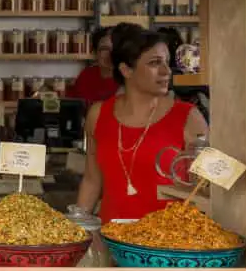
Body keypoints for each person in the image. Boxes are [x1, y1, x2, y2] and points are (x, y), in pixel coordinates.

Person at [76, 23, 208, 222]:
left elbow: (208, 189)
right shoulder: (98, 114)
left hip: (168, 242)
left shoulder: (189, 117)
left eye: (167, 62)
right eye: (155, 63)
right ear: (126, 70)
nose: (166, 71)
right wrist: (78, 226)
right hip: (113, 239)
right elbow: (92, 181)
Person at [69, 27, 119, 106]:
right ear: (95, 53)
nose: (111, 55)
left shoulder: (131, 81)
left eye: (116, 49)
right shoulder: (86, 76)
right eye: (105, 49)